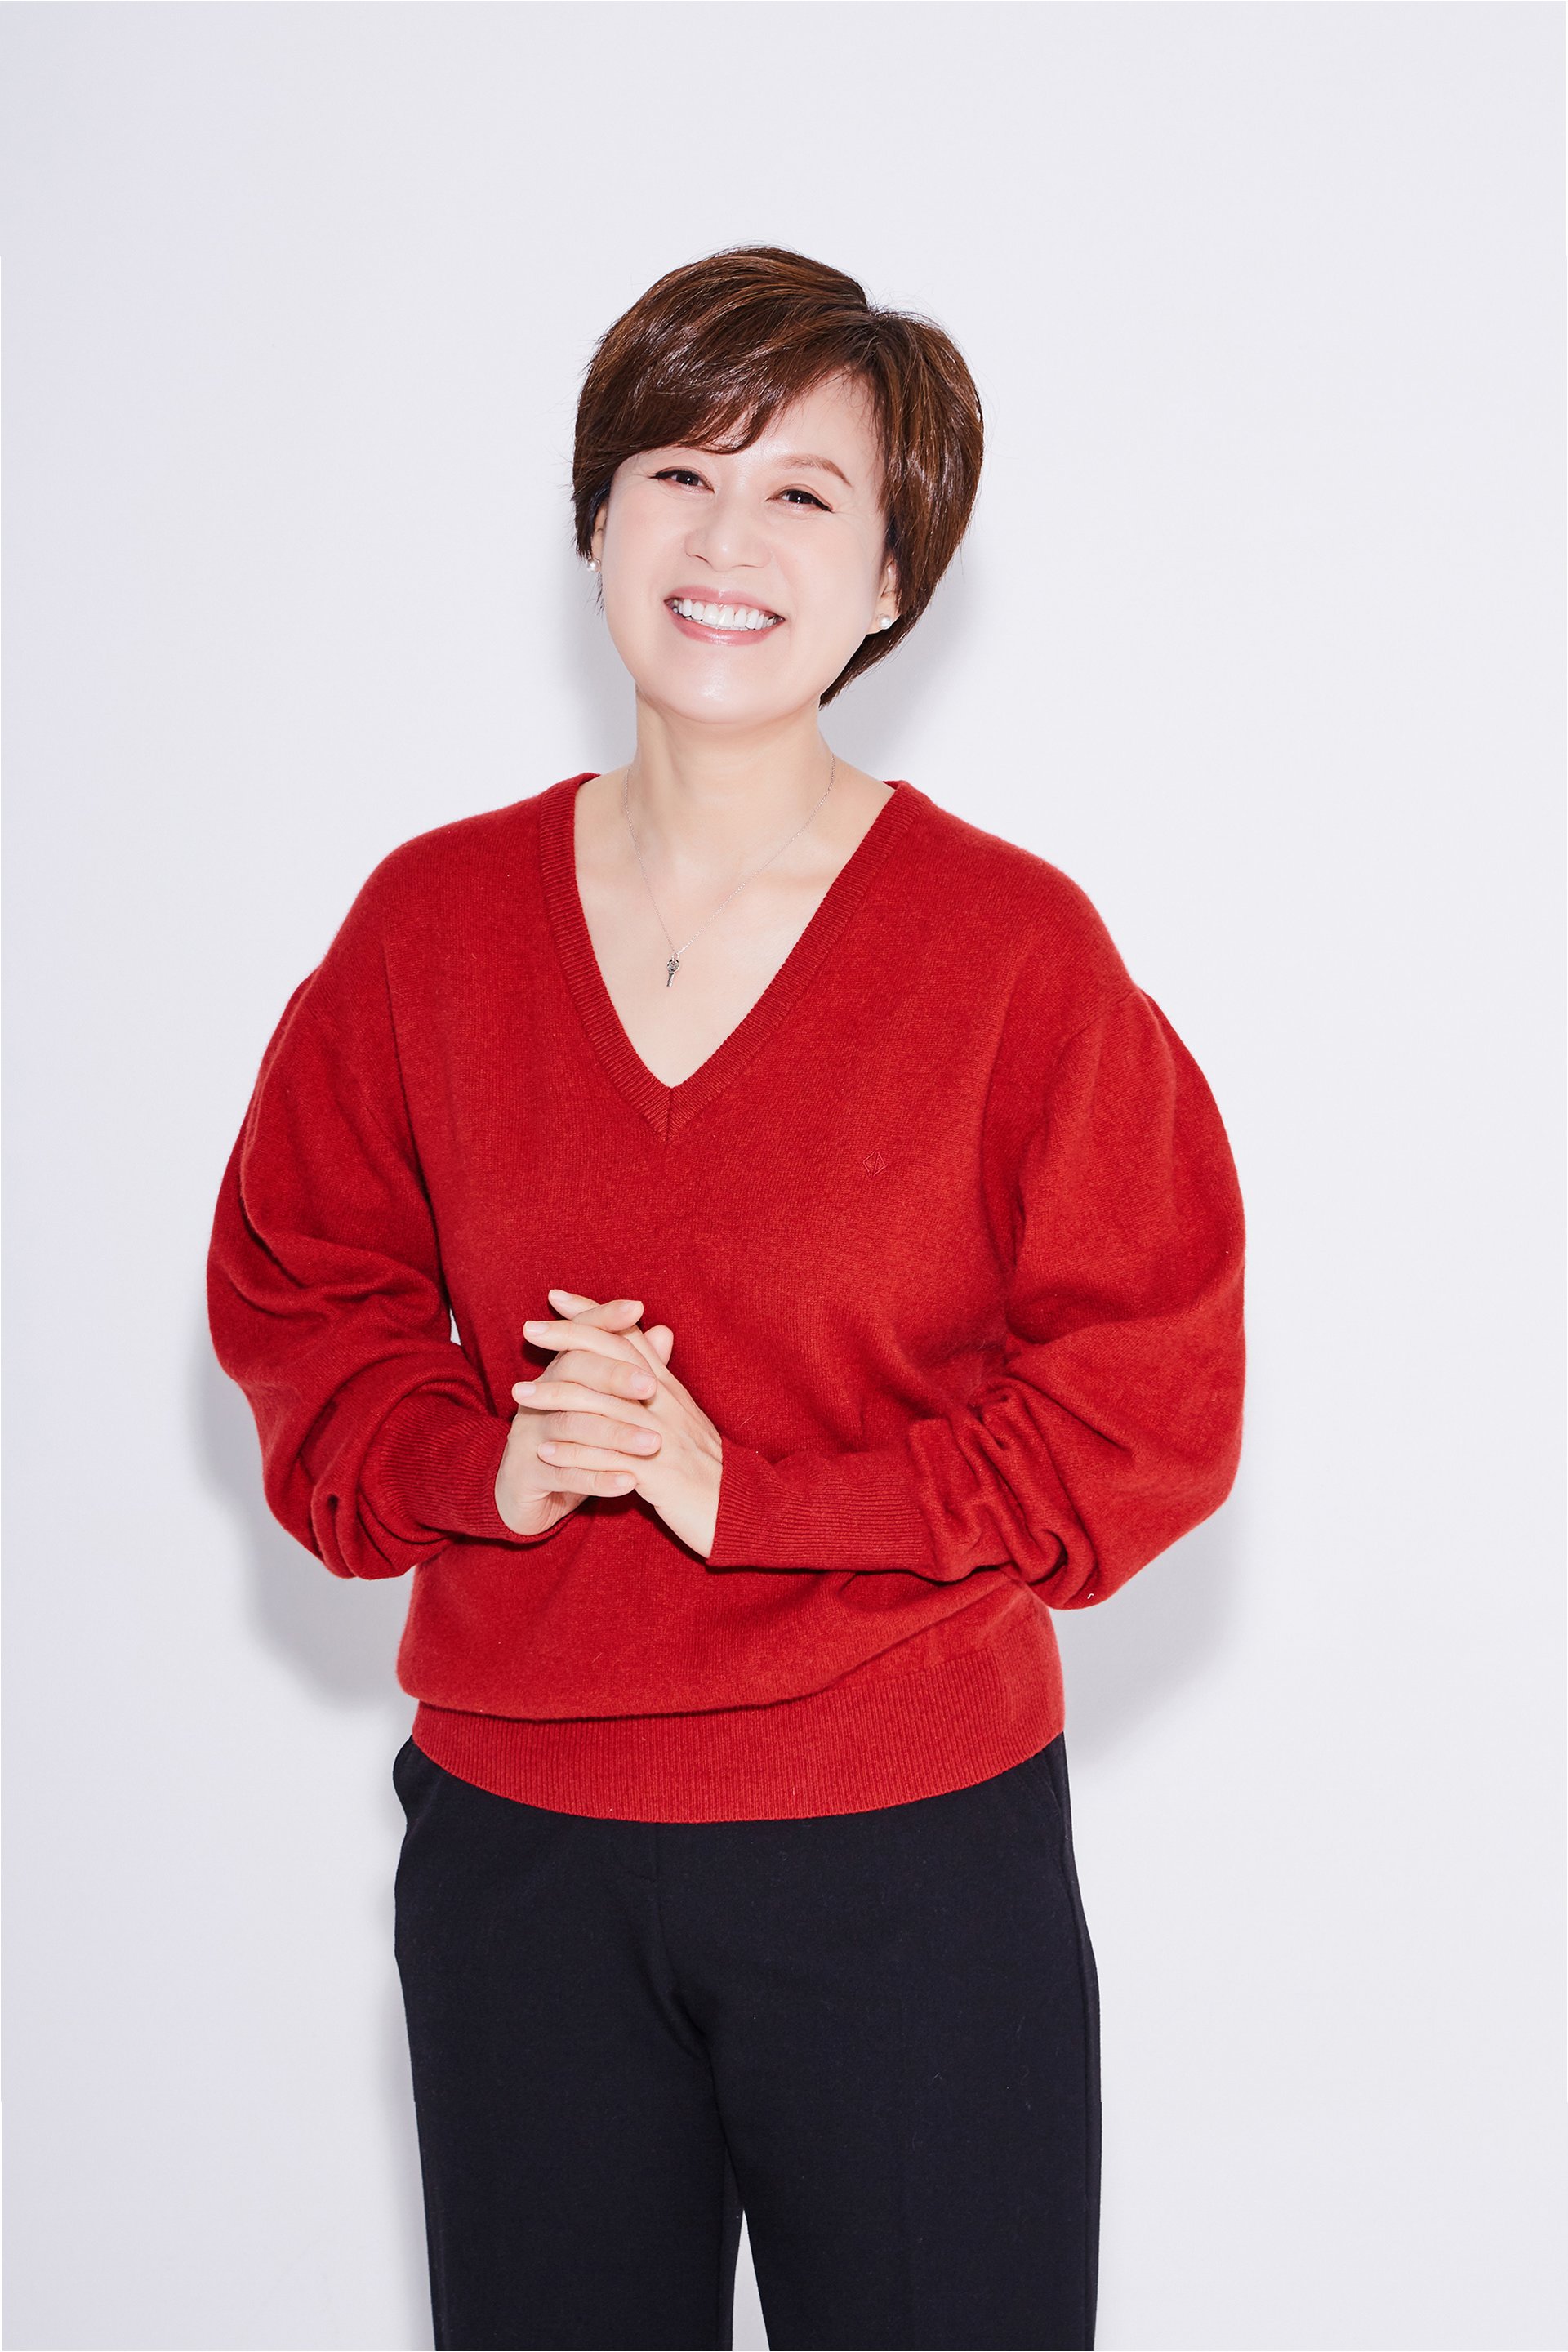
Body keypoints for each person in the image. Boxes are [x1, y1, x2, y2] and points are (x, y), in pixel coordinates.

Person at [207, 245, 1245, 2352]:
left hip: (903, 1851)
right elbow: (304, 1298)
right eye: (678, 472)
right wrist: (484, 1463)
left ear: (890, 580)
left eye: (802, 494)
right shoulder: (428, 925)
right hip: (518, 1852)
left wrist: (744, 1490)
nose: (724, 539)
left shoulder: (1014, 955)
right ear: (594, 522)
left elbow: (1143, 1413)